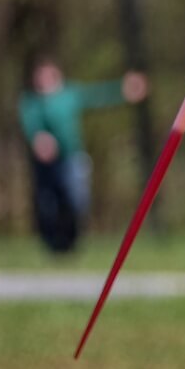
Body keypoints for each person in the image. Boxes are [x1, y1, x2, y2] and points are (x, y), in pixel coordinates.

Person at [17, 55, 148, 252]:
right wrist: (38, 139)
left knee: (77, 200)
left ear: (56, 76)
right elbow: (30, 124)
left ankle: (73, 240)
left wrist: (123, 89)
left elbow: (97, 96)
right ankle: (52, 244)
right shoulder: (31, 102)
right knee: (47, 205)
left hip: (72, 159)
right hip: (46, 164)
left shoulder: (68, 95)